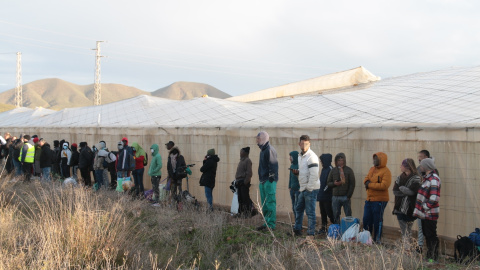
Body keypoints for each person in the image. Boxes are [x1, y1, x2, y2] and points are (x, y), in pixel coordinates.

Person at [291, 135, 320, 237]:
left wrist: (309, 188)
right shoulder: (300, 156)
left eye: (306, 144)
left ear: (309, 144)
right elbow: (305, 172)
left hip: (310, 189)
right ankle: (297, 230)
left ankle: (311, 234)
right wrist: (297, 173)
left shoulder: (312, 157)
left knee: (310, 212)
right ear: (299, 144)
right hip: (303, 188)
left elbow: (314, 175)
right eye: (302, 143)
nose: (304, 145)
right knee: (298, 209)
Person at [413, 158, 441, 261]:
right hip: (424, 213)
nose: (420, 167)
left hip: (430, 213)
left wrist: (424, 207)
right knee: (426, 234)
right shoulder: (427, 178)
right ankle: (429, 255)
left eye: (421, 165)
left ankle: (433, 256)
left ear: (426, 167)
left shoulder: (434, 179)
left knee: (431, 235)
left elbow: (434, 198)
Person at [363, 152, 392, 243]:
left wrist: (370, 185)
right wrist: (368, 183)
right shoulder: (372, 169)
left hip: (380, 200)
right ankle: (367, 239)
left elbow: (384, 185)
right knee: (366, 219)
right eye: (374, 159)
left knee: (377, 220)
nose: (374, 161)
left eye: (376, 159)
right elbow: (365, 179)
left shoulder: (386, 171)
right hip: (370, 199)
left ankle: (377, 239)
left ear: (381, 160)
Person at [392, 158, 421, 249]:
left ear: (407, 167)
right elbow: (395, 191)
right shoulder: (400, 177)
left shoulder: (416, 178)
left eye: (402, 165)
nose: (400, 166)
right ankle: (406, 247)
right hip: (399, 207)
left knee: (408, 229)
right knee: (404, 229)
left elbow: (413, 192)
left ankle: (407, 248)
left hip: (410, 207)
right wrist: (405, 191)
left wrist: (403, 189)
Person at [255, 131, 278, 231]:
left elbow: (273, 165)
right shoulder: (263, 150)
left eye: (259, 139)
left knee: (270, 202)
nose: (257, 141)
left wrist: (271, 179)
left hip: (269, 181)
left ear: (264, 138)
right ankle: (266, 222)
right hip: (263, 180)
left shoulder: (269, 150)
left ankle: (271, 225)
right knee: (264, 203)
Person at [327, 153, 356, 224]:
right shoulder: (333, 170)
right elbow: (328, 183)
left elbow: (352, 184)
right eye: (338, 160)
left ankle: (349, 231)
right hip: (335, 196)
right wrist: (334, 184)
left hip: (345, 196)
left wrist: (349, 195)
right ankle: (337, 231)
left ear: (344, 161)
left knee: (348, 215)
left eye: (341, 160)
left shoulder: (349, 170)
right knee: (336, 215)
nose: (340, 162)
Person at [317, 153, 335, 234]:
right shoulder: (323, 169)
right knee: (323, 212)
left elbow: (329, 184)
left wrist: (323, 191)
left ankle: (334, 227)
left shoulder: (331, 169)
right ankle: (323, 228)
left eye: (322, 161)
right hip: (322, 195)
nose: (321, 162)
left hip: (328, 196)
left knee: (330, 212)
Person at [235, 147, 254, 217]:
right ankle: (240, 212)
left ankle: (247, 213)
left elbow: (249, 173)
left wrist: (245, 182)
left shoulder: (247, 161)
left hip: (243, 183)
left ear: (245, 153)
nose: (240, 153)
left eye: (241, 152)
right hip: (239, 182)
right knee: (240, 199)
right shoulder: (241, 161)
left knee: (245, 199)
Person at [288, 151, 300, 219]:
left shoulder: (299, 165)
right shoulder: (291, 166)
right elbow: (290, 177)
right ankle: (296, 221)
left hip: (297, 190)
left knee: (297, 207)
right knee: (293, 207)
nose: (290, 158)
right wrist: (289, 186)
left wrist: (299, 188)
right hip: (292, 189)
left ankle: (298, 223)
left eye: (291, 157)